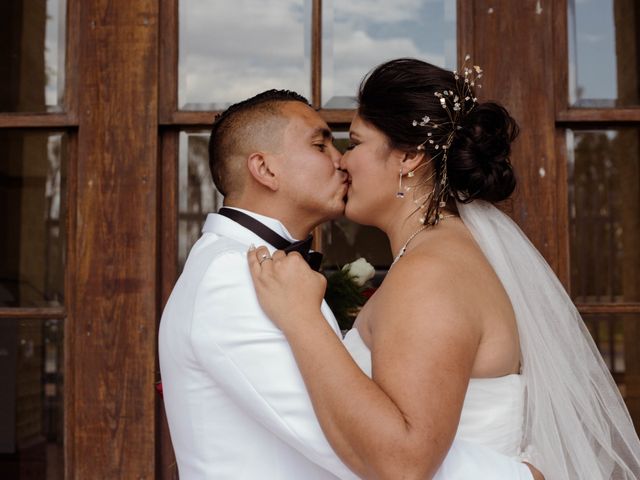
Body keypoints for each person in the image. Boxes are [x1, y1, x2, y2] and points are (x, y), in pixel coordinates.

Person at [248, 59, 640, 480]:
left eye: (356, 143)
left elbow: (404, 463)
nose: (342, 162)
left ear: (410, 156)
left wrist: (303, 320)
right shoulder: (443, 253)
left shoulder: (430, 273)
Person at [158, 89, 538, 479]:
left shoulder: (263, 271)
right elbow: (365, 446)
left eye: (348, 144)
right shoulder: (234, 278)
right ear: (266, 170)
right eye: (321, 145)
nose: (341, 161)